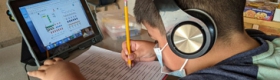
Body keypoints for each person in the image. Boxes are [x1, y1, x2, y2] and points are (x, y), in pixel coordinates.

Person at [28, 0, 280, 80]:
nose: (158, 46)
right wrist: (158, 52)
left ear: (188, 39)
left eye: (158, 39)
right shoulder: (267, 44)